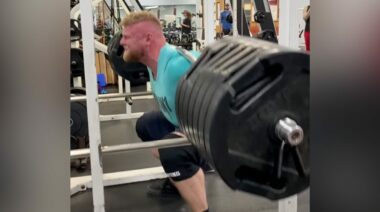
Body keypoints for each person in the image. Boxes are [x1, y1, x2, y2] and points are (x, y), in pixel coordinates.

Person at [119, 11, 210, 212]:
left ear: (147, 38)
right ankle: (181, 179)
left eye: (126, 37)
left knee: (171, 149)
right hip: (186, 123)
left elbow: (219, 105)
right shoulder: (154, 66)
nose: (121, 42)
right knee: (147, 124)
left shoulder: (180, 65)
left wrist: (175, 139)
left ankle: (201, 206)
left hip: (215, 134)